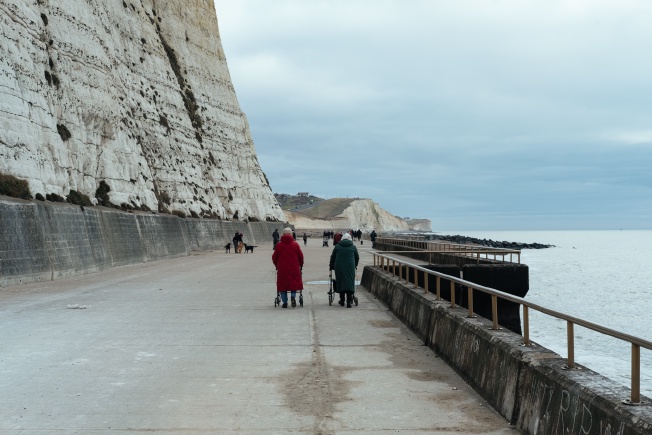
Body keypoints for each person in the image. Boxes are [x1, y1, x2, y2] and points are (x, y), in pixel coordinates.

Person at [272, 228, 304, 308]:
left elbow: (274, 257)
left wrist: (277, 265)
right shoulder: (295, 244)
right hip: (294, 268)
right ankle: (293, 297)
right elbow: (301, 256)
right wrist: (301, 265)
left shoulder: (279, 245)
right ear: (291, 234)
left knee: (283, 285)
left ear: (282, 234)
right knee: (294, 283)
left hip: (282, 269)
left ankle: (285, 302)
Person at [329, 232, 359, 308]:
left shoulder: (337, 247)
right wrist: (355, 265)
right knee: (349, 281)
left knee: (340, 281)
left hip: (339, 267)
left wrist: (331, 266)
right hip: (350, 266)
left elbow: (333, 257)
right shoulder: (353, 247)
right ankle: (349, 301)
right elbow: (357, 257)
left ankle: (342, 300)